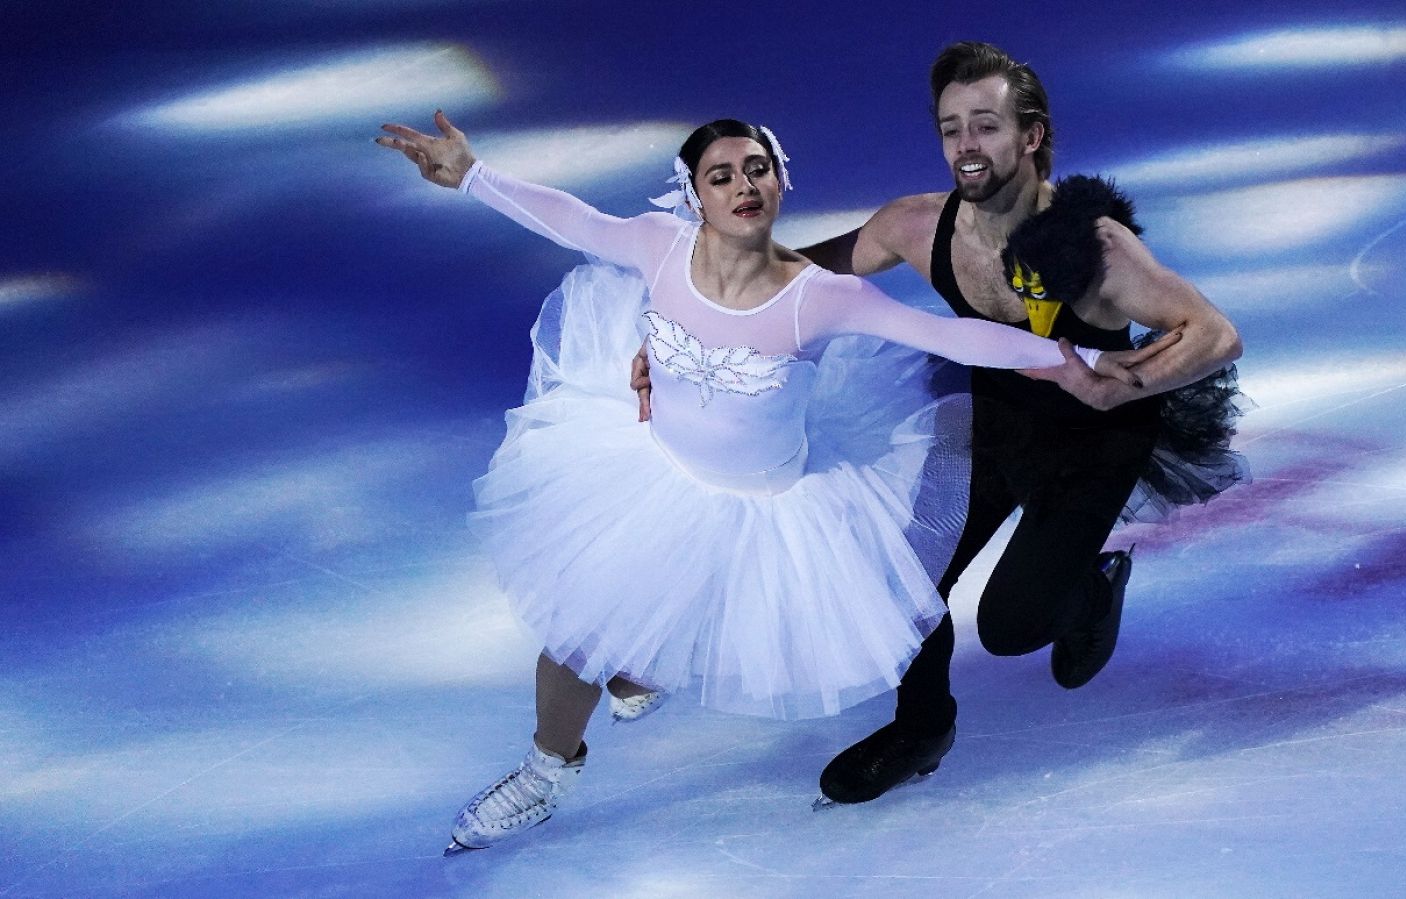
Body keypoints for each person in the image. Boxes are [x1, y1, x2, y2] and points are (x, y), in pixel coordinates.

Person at [375, 111, 1173, 854]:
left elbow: (946, 332)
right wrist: (474, 175)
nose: (743, 185)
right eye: (720, 175)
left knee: (680, 627)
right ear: (694, 194)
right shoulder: (660, 246)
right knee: (579, 627)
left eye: (757, 168)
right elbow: (576, 221)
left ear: (781, 182)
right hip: (650, 478)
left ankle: (639, 667)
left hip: (769, 509)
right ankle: (548, 770)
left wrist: (1087, 360)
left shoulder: (819, 296)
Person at [631, 42, 1247, 806]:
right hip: (985, 419)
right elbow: (789, 283)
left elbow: (1216, 333)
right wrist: (688, 334)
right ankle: (923, 728)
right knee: (901, 584)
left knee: (1014, 624)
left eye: (985, 126)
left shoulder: (1099, 248)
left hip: (1093, 439)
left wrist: (1122, 390)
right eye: (952, 128)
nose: (966, 146)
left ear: (1031, 136)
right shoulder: (916, 226)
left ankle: (1090, 586)